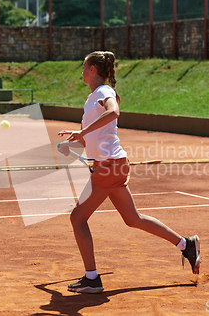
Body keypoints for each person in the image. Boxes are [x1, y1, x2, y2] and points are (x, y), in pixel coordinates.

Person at [58, 51, 200, 294]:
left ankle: (92, 278)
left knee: (77, 218)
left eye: (84, 67)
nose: (81, 72)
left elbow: (113, 112)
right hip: (112, 164)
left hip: (109, 165)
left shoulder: (104, 93)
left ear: (93, 70)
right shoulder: (91, 99)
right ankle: (186, 245)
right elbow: (89, 139)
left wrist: (81, 134)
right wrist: (72, 142)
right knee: (133, 219)